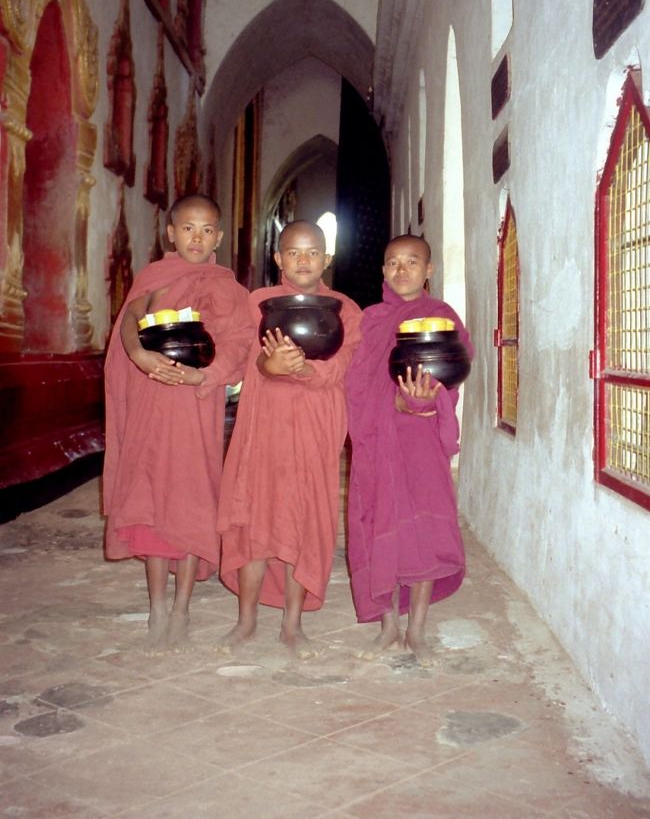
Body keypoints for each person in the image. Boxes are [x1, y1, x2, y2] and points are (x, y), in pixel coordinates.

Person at [103, 194, 254, 650]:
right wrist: (138, 354)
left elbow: (240, 341)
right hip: (150, 399)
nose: (197, 238)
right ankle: (157, 607)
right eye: (188, 228)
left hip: (193, 403)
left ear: (219, 238)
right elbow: (131, 318)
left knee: (189, 499)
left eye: (207, 230)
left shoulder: (226, 287)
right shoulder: (154, 276)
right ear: (171, 233)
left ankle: (182, 607)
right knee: (150, 499)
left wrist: (202, 375)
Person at [216, 220, 362, 657]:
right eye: (293, 252)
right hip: (264, 427)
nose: (303, 260)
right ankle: (245, 621)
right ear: (278, 257)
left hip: (315, 426)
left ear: (327, 258)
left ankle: (293, 626)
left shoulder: (345, 309)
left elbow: (344, 365)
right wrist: (268, 367)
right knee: (254, 518)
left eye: (312, 252)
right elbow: (246, 359)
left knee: (304, 518)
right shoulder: (258, 303)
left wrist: (303, 370)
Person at [345, 234, 474, 666]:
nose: (402, 270)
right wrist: (391, 403)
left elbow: (453, 371)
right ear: (383, 270)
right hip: (377, 440)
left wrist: (422, 402)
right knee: (376, 522)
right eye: (393, 262)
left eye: (412, 262)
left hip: (421, 441)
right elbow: (355, 381)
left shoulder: (441, 316)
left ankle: (416, 629)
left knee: (424, 530)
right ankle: (388, 627)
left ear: (429, 270)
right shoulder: (371, 321)